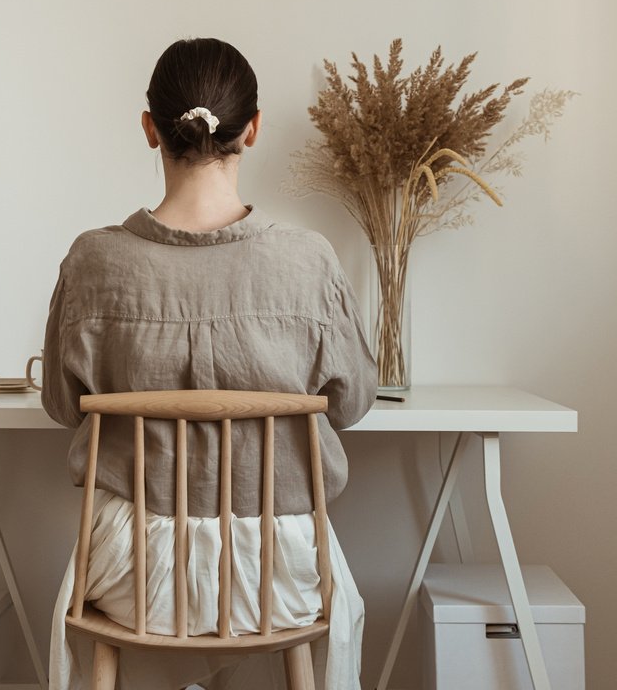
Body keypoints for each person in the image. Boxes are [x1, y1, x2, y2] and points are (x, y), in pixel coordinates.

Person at [41, 37, 377, 690]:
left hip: (134, 582)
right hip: (273, 582)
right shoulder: (310, 262)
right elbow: (355, 403)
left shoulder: (92, 262)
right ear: (251, 131)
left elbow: (60, 404)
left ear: (150, 130)